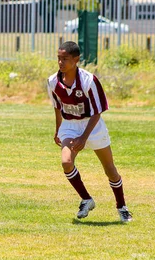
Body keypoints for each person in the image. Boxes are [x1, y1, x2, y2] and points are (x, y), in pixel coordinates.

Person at [47, 41, 132, 222]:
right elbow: (57, 108)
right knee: (66, 162)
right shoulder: (52, 81)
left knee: (110, 170)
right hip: (70, 125)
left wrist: (84, 137)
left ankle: (122, 206)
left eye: (65, 59)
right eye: (59, 59)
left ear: (76, 59)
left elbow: (97, 111)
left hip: (92, 126)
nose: (61, 63)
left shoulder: (88, 80)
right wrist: (57, 131)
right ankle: (86, 199)